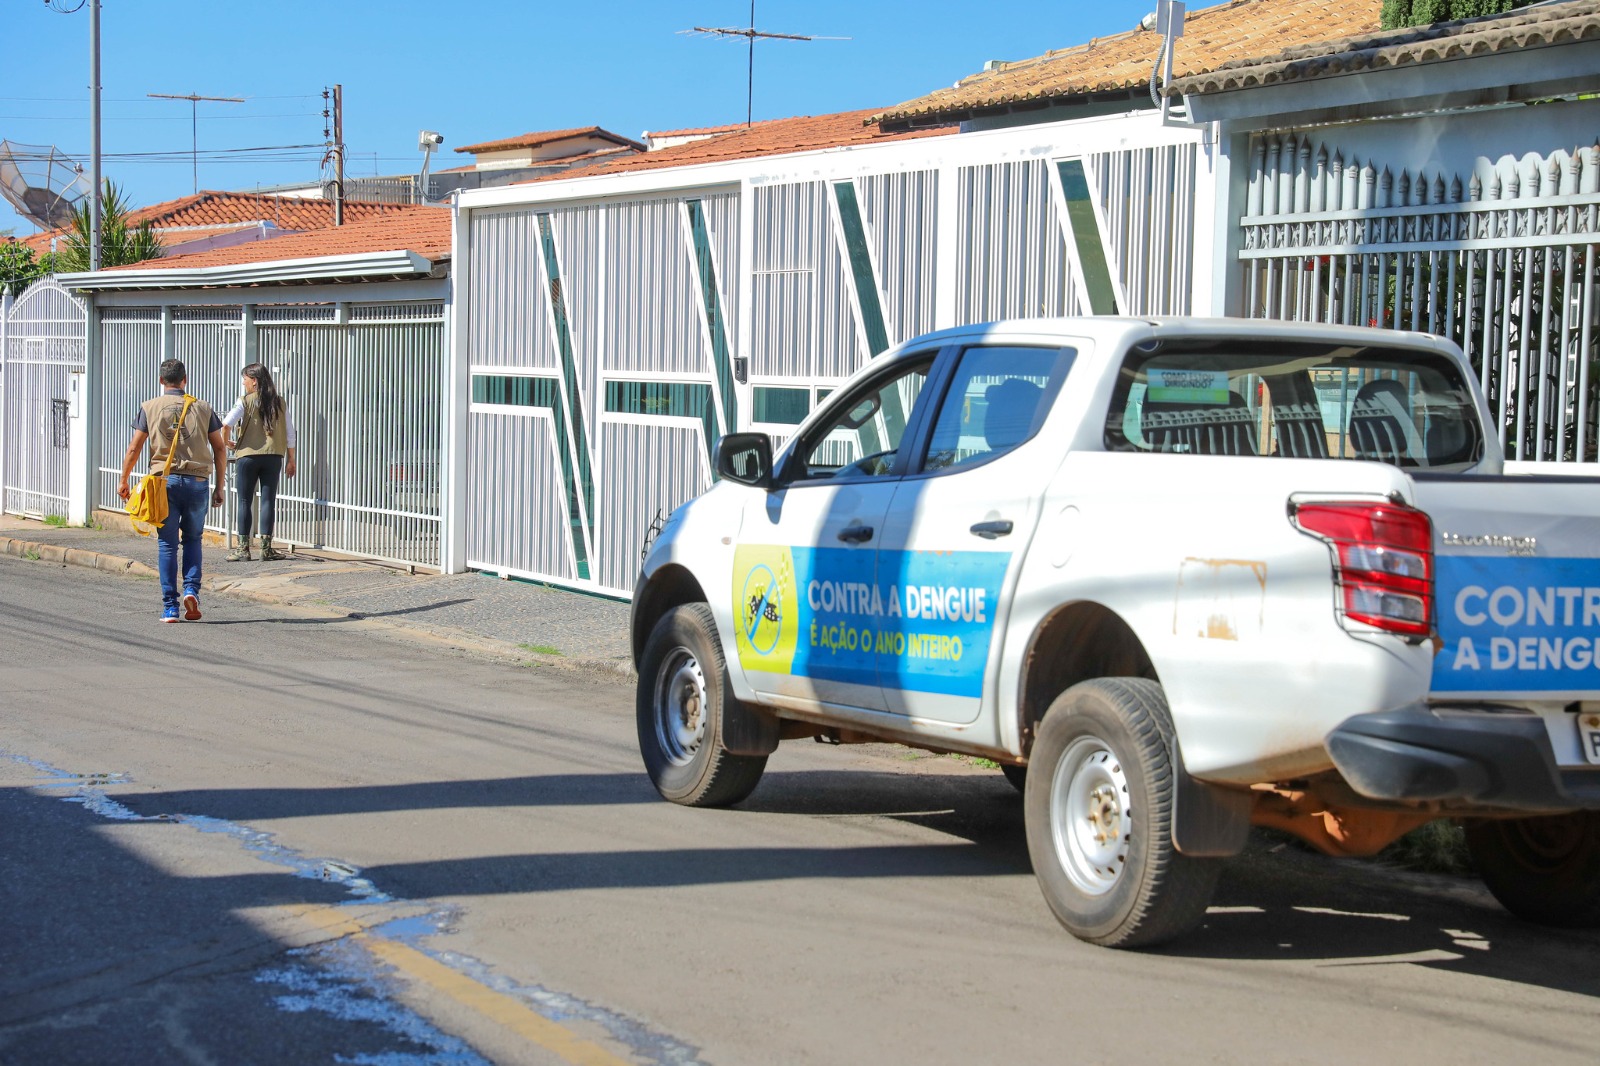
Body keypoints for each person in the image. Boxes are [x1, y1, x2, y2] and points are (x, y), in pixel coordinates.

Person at [118, 358, 226, 623]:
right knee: (193, 539)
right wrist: (220, 486)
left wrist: (124, 480)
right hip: (197, 482)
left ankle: (170, 608)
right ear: (184, 380)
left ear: (161, 381)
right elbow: (220, 447)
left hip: (163, 484)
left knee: (167, 543)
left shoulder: (149, 407)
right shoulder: (203, 407)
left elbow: (134, 447)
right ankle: (191, 590)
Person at [221, 363, 297, 561]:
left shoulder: (244, 401)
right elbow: (290, 433)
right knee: (267, 500)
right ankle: (266, 548)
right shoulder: (280, 402)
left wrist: (225, 443)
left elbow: (226, 423)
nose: (244, 383)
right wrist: (292, 459)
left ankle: (243, 549)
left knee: (245, 500)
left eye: (245, 380)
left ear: (254, 381)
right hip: (273, 456)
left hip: (247, 456)